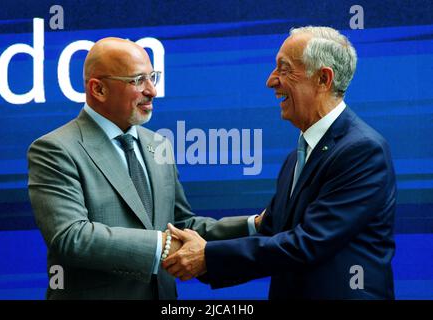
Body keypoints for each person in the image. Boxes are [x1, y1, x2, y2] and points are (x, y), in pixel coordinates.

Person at [163, 26, 397, 299]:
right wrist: (199, 254)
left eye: (284, 69)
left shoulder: (362, 150)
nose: (271, 81)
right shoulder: (296, 156)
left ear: (323, 78)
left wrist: (207, 256)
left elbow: (308, 243)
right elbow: (271, 231)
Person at [27, 37, 261, 299]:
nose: (152, 91)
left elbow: (180, 225)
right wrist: (163, 246)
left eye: (153, 77)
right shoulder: (56, 149)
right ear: (98, 89)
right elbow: (71, 237)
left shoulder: (157, 143)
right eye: (138, 80)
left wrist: (254, 225)